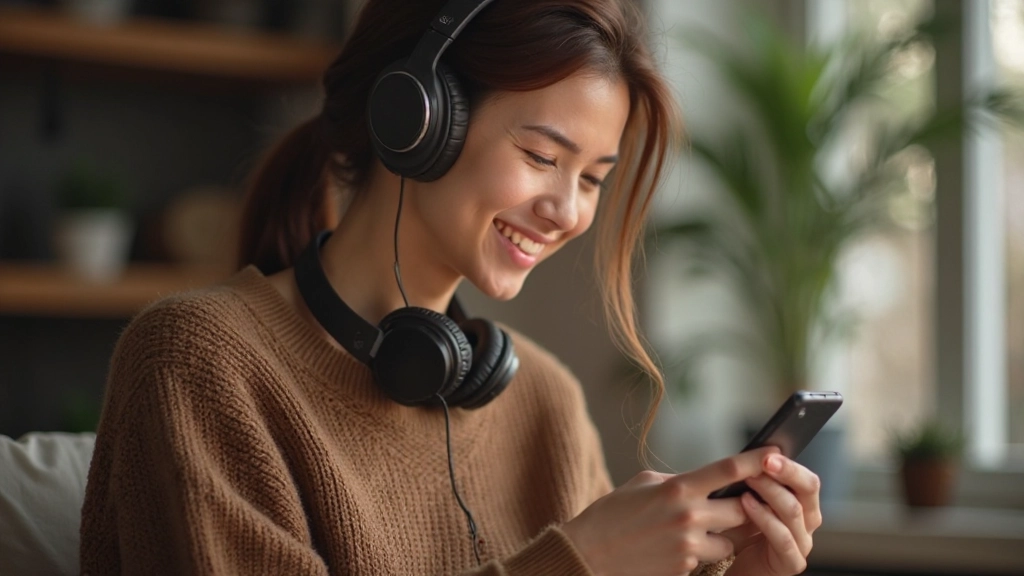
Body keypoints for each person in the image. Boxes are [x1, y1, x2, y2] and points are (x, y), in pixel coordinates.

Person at [79, 0, 823, 574]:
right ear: (416, 119)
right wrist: (580, 560)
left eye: (593, 179)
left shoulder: (545, 404)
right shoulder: (198, 362)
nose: (567, 212)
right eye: (540, 155)